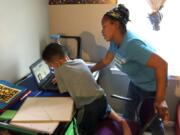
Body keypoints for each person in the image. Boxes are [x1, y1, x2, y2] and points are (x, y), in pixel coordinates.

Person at [90, 4, 168, 135]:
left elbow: (162, 65)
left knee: (153, 123)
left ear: (116, 25)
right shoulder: (115, 41)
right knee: (127, 116)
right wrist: (90, 70)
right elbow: (106, 60)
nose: (102, 31)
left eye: (104, 26)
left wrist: (160, 100)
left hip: (150, 88)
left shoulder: (132, 44)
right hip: (135, 83)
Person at [42, 43, 132, 135]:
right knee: (105, 110)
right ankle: (121, 121)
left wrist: (59, 77)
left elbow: (65, 91)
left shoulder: (59, 71)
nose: (52, 68)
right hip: (102, 100)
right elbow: (70, 71)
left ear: (57, 63)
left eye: (51, 66)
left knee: (83, 130)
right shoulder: (80, 61)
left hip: (88, 109)